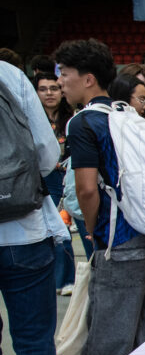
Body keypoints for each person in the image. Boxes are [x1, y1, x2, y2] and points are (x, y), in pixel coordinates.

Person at [55, 39, 145, 355]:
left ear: (88, 79)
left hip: (118, 236)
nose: (61, 82)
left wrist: (93, 231)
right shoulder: (130, 117)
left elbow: (87, 188)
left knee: (111, 325)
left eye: (65, 74)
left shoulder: (84, 122)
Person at [0, 61, 69, 355]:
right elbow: (46, 154)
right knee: (33, 343)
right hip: (23, 230)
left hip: (24, 231)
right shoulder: (8, 74)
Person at [35, 71, 76, 294]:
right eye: (43, 89)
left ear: (61, 91)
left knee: (83, 227)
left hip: (73, 176)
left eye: (53, 88)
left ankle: (84, 279)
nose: (49, 93)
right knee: (58, 230)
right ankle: (63, 280)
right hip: (47, 179)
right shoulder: (32, 119)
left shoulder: (73, 117)